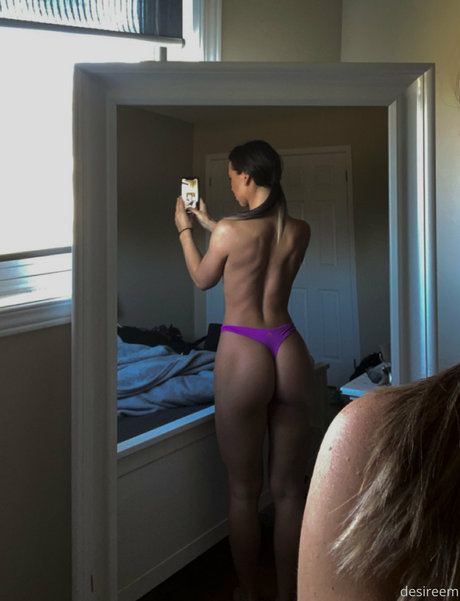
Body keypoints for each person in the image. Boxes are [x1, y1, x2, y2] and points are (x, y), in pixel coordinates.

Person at [174, 140, 315, 601]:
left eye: (233, 177)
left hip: (243, 348)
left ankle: (249, 594)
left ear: (247, 177)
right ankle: (289, 593)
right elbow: (254, 241)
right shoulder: (299, 229)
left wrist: (185, 230)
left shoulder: (229, 232)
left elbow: (203, 278)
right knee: (289, 492)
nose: (232, 185)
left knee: (243, 492)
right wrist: (211, 224)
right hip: (288, 347)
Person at [298, 362, 460, 601]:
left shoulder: (370, 433)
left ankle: (254, 592)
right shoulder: (368, 433)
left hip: (248, 347)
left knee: (250, 492)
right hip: (289, 352)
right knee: (286, 492)